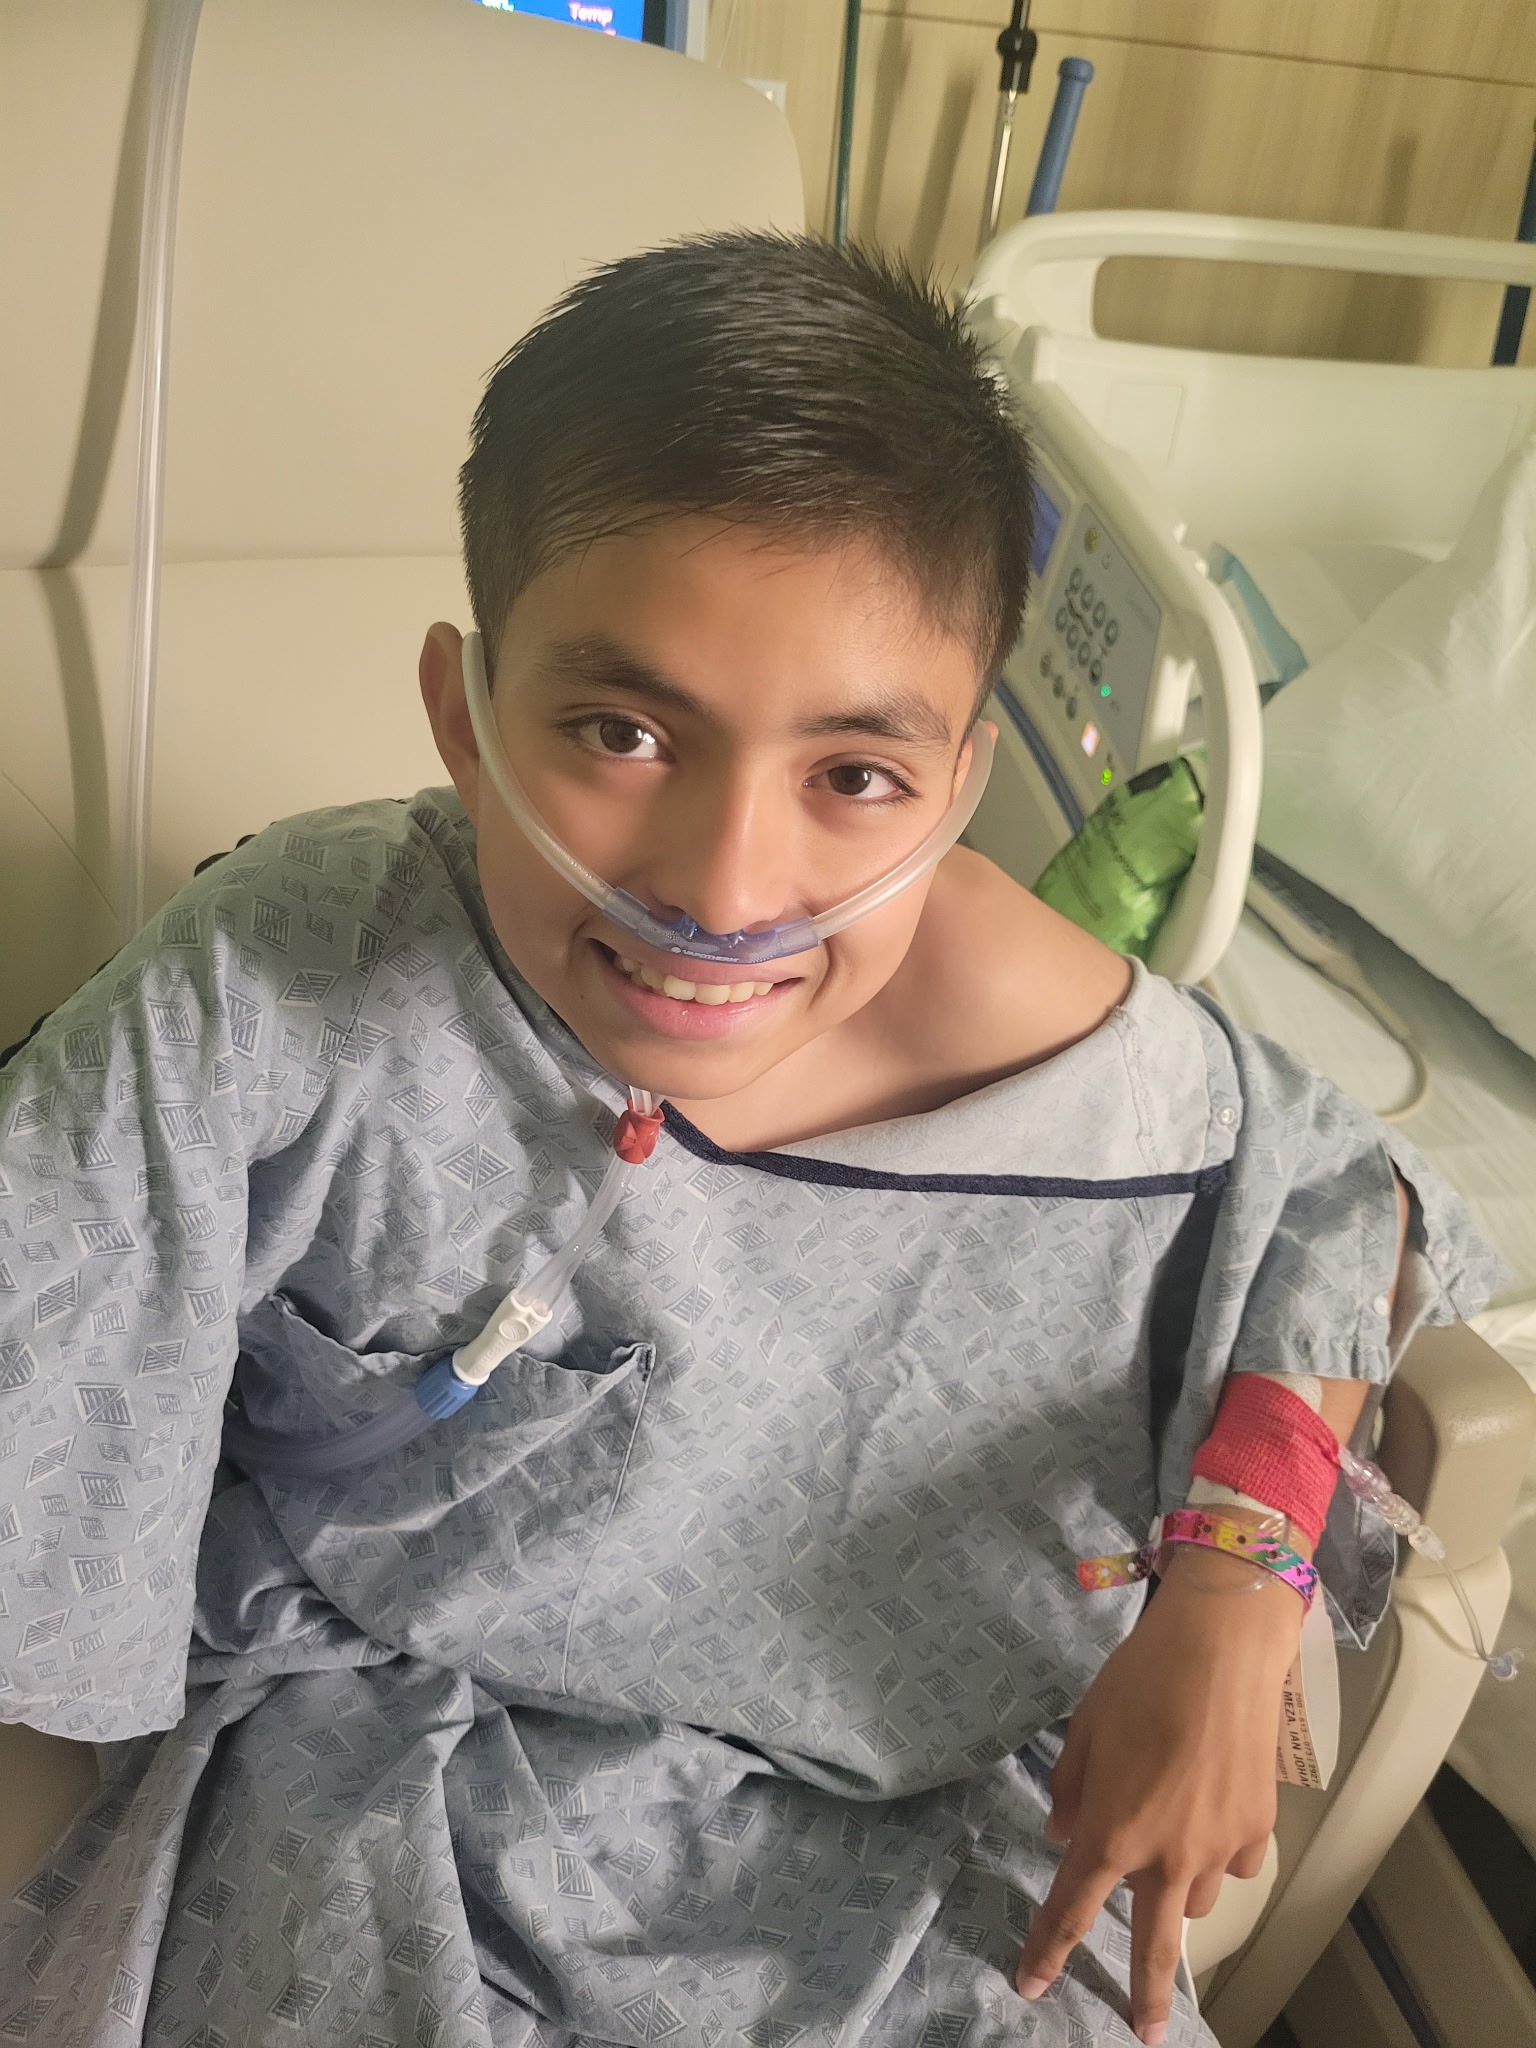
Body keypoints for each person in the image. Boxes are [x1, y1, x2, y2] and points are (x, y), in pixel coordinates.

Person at [0, 233, 1498, 2048]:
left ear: (956, 790)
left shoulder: (1043, 1039)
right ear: (464, 716)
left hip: (897, 1833)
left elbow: (1338, 1195)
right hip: (361, 1752)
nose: (724, 892)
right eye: (621, 732)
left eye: (854, 776)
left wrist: (1237, 1587)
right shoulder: (286, 982)